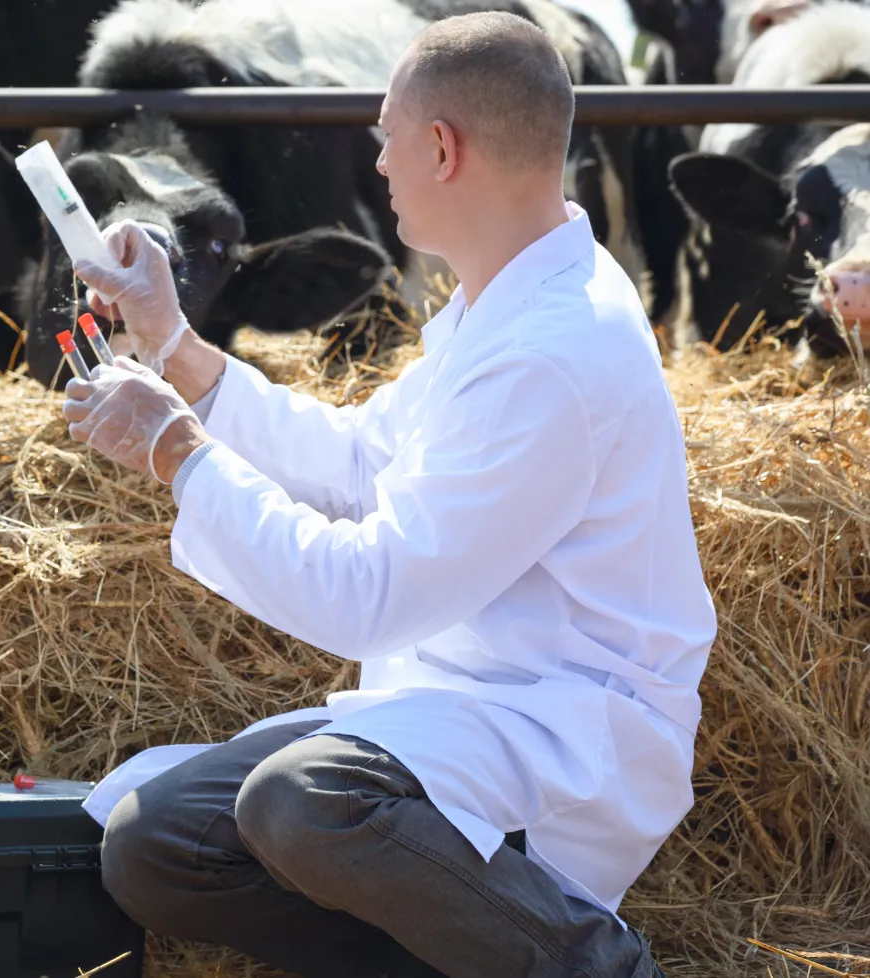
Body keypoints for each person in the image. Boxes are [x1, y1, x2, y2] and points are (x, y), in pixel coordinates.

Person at [62, 11, 717, 978]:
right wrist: (177, 345)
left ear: (442, 148)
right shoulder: (506, 297)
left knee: (305, 801)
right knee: (155, 843)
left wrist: (181, 455)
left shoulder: (551, 352)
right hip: (459, 710)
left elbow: (369, 601)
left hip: (561, 731)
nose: (378, 164)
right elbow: (366, 460)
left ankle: (599, 968)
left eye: (384, 138)